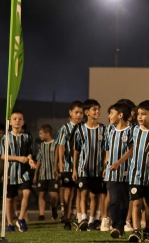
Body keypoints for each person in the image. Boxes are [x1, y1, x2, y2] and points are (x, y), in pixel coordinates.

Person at [127, 100, 149, 243]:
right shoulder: (134, 130)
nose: (140, 117)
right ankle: (136, 230)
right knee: (136, 202)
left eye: (144, 114)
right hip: (135, 174)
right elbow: (130, 148)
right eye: (139, 114)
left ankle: (148, 229)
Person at [103, 100, 135, 240]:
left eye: (112, 113)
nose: (109, 116)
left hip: (126, 173)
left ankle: (121, 226)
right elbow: (107, 148)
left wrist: (119, 163)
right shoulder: (109, 130)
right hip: (112, 172)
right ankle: (116, 226)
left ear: (120, 115)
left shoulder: (131, 130)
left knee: (124, 201)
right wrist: (107, 163)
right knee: (114, 199)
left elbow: (132, 149)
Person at [3, 110, 37, 233]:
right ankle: (10, 223)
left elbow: (29, 152)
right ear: (10, 122)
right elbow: (3, 155)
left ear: (23, 122)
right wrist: (18, 158)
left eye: (20, 119)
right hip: (10, 172)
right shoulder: (6, 137)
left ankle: (21, 218)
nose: (17, 121)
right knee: (9, 199)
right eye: (15, 119)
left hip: (24, 171)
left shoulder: (27, 137)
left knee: (27, 192)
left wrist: (30, 160)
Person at [73, 99, 105, 231]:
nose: (97, 112)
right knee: (84, 193)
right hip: (83, 168)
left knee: (94, 195)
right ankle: (83, 219)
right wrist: (75, 169)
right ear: (87, 112)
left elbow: (105, 149)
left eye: (98, 109)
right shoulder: (80, 129)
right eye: (94, 109)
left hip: (97, 169)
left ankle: (92, 221)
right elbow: (76, 150)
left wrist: (104, 166)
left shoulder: (102, 129)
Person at [55, 101, 84, 229]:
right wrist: (60, 162)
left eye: (81, 113)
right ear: (70, 112)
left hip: (81, 166)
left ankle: (78, 216)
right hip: (68, 165)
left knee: (79, 191)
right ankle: (66, 217)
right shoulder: (65, 128)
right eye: (76, 112)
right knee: (68, 191)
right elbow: (61, 146)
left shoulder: (83, 128)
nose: (79, 115)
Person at [34, 124, 59, 221]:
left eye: (41, 133)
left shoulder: (56, 144)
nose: (40, 136)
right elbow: (39, 160)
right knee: (41, 194)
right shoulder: (41, 146)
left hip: (53, 174)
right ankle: (41, 214)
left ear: (47, 133)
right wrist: (36, 174)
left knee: (53, 195)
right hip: (43, 174)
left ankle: (54, 207)